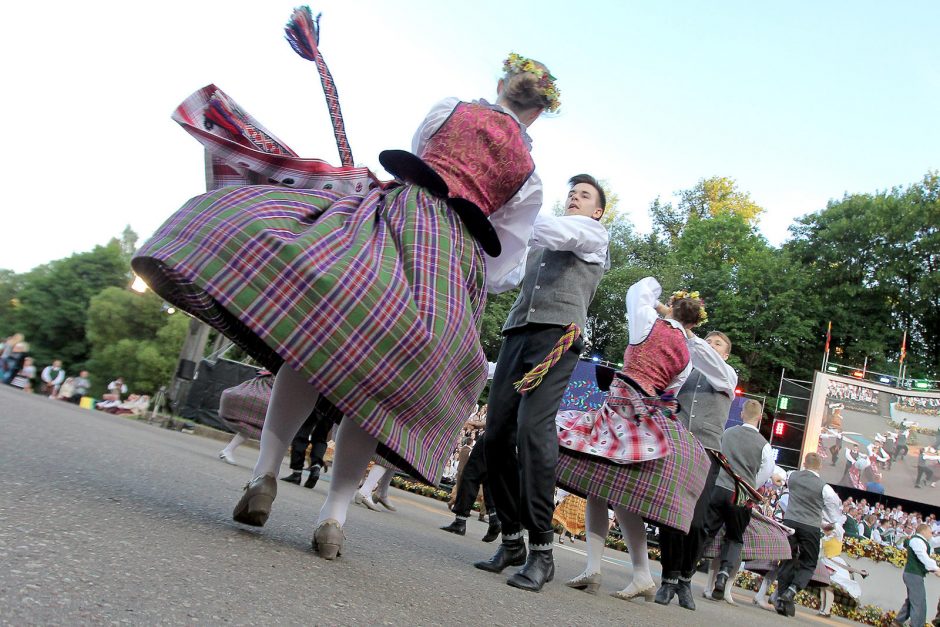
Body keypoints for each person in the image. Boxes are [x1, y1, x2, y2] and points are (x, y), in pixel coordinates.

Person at [133, 50, 559, 561]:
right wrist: (467, 277)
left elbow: (421, 152)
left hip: (391, 217)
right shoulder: (529, 174)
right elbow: (506, 259)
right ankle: (333, 517)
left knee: (315, 339)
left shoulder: (452, 109)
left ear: (501, 83)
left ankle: (263, 473)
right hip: (449, 255)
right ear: (541, 111)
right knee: (380, 384)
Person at [475, 173, 609, 592]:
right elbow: (504, 275)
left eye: (584, 194)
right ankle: (512, 540)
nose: (575, 196)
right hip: (517, 332)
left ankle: (542, 552)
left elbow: (546, 229)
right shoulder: (545, 235)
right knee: (495, 435)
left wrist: (513, 210)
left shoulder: (591, 234)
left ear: (598, 210)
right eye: (572, 191)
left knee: (533, 431)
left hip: (557, 334)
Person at [554, 279, 711, 601]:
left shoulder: (648, 325)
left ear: (672, 305)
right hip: (644, 421)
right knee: (605, 493)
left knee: (604, 491)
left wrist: (658, 305)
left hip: (617, 410)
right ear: (695, 323)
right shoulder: (686, 356)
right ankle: (613, 571)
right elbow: (670, 393)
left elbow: (641, 288)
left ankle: (614, 570)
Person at [653, 328, 738, 610]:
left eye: (717, 344)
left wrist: (689, 332)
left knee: (698, 522)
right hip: (679, 446)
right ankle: (668, 579)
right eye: (709, 341)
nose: (710, 345)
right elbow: (665, 394)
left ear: (725, 354)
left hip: (708, 452)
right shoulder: (686, 372)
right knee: (670, 516)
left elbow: (705, 357)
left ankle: (686, 577)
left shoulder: (727, 375)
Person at [696, 398, 775, 600]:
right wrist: (749, 485)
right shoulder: (764, 445)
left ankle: (685, 571)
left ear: (741, 415)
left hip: (719, 488)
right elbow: (766, 472)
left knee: (706, 531)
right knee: (734, 537)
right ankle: (723, 573)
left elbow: (715, 458)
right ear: (759, 417)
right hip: (741, 496)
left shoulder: (727, 433)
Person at [773, 452, 842, 617]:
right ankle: (791, 590)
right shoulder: (824, 487)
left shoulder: (793, 477)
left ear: (804, 463)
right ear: (820, 466)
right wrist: (829, 523)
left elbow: (779, 477)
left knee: (787, 559)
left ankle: (782, 599)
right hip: (810, 526)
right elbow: (834, 510)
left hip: (790, 522)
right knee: (809, 563)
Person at [440, 437, 501, 542]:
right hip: (512, 438)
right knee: (491, 477)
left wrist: (477, 424)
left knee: (471, 475)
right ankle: (495, 518)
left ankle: (460, 522)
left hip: (495, 431)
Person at [892, 523, 940, 627]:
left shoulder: (921, 540)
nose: (931, 534)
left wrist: (934, 569)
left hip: (914, 574)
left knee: (912, 600)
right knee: (919, 602)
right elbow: (922, 556)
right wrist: (935, 568)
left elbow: (935, 542)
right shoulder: (917, 540)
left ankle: (897, 622)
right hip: (913, 574)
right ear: (923, 531)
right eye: (930, 532)